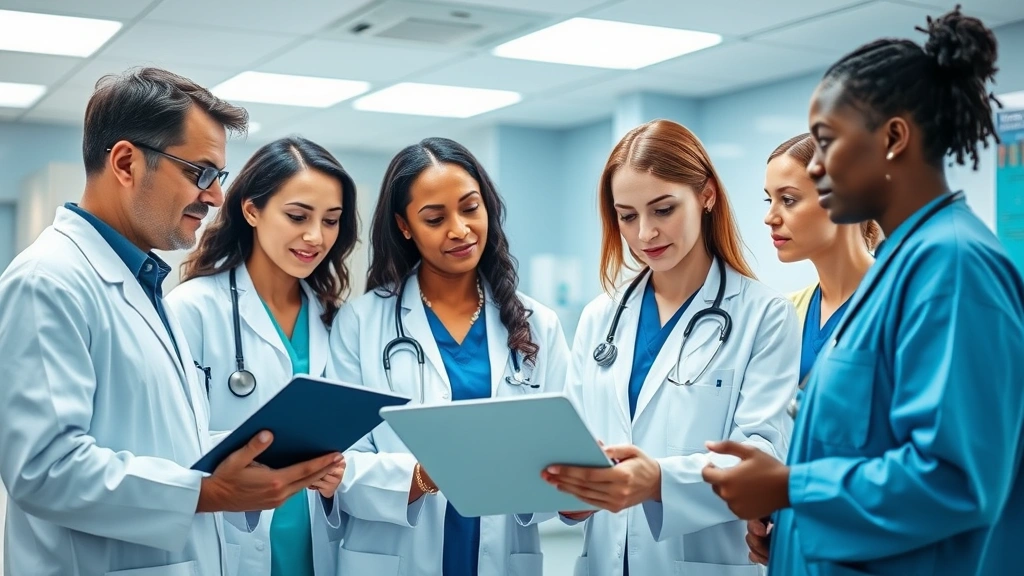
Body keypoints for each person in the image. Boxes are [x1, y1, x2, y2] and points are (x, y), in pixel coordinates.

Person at [703, 8, 1024, 575]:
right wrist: (791, 530)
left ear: (894, 138)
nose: (818, 168)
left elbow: (955, 479)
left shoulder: (953, 268)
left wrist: (790, 489)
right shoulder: (899, 269)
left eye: (826, 143)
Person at [0, 68, 342, 576]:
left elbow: (159, 441)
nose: (215, 196)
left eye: (218, 177)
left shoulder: (143, 281)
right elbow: (44, 471)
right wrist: (207, 491)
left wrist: (243, 462)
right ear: (125, 163)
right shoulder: (48, 280)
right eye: (200, 172)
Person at [541, 119, 799, 576]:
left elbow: (761, 457)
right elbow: (573, 442)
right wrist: (574, 498)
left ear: (707, 196)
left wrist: (659, 480)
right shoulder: (600, 318)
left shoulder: (765, 315)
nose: (644, 235)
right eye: (627, 216)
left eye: (663, 210)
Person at [327, 137, 570, 576]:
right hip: (395, 553)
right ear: (405, 226)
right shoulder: (360, 323)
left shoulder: (541, 325)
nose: (459, 229)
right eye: (435, 218)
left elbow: (563, 452)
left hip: (502, 553)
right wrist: (422, 476)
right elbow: (337, 462)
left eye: (470, 208)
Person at [166, 136, 359, 576]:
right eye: (297, 216)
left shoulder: (336, 319)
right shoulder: (193, 309)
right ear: (251, 210)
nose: (316, 236)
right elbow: (170, 446)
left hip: (319, 547)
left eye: (331, 221)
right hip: (231, 544)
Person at [764, 133, 879, 389]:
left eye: (788, 200)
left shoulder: (901, 302)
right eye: (768, 199)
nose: (770, 217)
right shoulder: (785, 311)